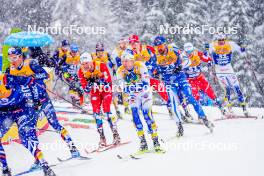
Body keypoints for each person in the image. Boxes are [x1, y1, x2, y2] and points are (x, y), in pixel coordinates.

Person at [5, 47, 80, 160]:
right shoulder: (9, 70)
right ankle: (39, 159)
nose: (13, 61)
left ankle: (73, 148)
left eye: (14, 58)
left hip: (43, 100)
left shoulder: (30, 63)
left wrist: (32, 77)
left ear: (20, 56)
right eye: (10, 58)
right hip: (30, 105)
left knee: (55, 124)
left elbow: (46, 75)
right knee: (32, 131)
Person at [153, 36, 214, 136]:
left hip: (180, 78)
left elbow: (188, 61)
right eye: (157, 47)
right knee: (173, 103)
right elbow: (155, 68)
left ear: (165, 44)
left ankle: (205, 119)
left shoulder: (174, 50)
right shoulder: (155, 55)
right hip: (169, 82)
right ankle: (179, 126)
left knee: (191, 97)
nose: (159, 48)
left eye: (161, 46)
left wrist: (180, 66)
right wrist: (156, 72)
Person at [0, 73, 56, 176]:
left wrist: (36, 101)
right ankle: (5, 169)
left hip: (22, 109)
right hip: (4, 113)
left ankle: (44, 165)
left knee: (26, 138)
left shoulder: (7, 78)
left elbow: (31, 81)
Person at [116, 49, 163, 153]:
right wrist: (129, 87)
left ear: (132, 60)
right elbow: (121, 87)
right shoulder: (120, 70)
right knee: (135, 116)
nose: (124, 63)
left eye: (127, 60)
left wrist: (131, 87)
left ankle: (156, 142)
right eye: (123, 61)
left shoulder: (140, 65)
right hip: (133, 96)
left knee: (147, 115)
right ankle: (143, 143)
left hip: (145, 93)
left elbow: (146, 83)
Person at [78, 52, 121, 147]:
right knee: (96, 113)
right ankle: (102, 138)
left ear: (91, 61)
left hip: (105, 90)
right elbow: (86, 89)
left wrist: (98, 80)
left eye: (87, 63)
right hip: (95, 92)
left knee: (106, 110)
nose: (85, 66)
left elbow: (108, 81)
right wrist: (90, 83)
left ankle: (116, 135)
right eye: (83, 64)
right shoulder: (81, 71)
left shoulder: (100, 65)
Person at [128, 34, 173, 117]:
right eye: (131, 43)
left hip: (152, 76)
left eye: (135, 43)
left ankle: (171, 109)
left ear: (139, 42)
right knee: (143, 96)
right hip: (141, 79)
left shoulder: (148, 48)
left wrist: (155, 67)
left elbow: (158, 57)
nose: (133, 45)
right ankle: (147, 112)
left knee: (163, 91)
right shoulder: (129, 53)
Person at [205, 32, 248, 115]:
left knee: (237, 88)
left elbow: (241, 51)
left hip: (229, 69)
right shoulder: (212, 45)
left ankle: (244, 109)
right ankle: (229, 108)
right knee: (227, 88)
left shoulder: (230, 44)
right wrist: (207, 54)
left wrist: (242, 46)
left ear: (225, 39)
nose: (221, 41)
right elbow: (206, 55)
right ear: (217, 40)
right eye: (219, 40)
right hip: (219, 70)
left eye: (223, 40)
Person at [182, 42, 225, 114]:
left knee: (210, 92)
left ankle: (222, 109)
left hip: (199, 77)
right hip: (190, 80)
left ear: (193, 50)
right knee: (195, 96)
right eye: (187, 52)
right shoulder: (182, 56)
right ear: (185, 51)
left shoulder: (197, 53)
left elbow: (207, 59)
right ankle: (199, 114)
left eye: (190, 51)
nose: (189, 54)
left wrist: (209, 61)